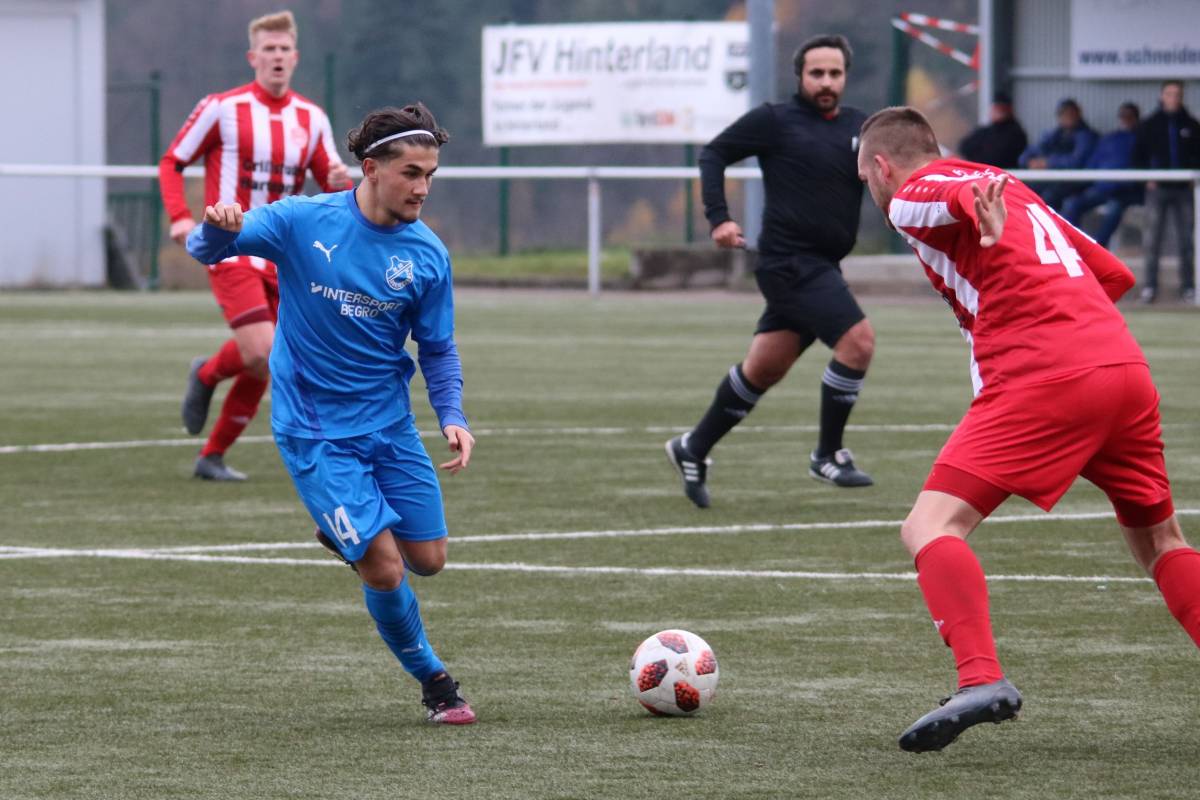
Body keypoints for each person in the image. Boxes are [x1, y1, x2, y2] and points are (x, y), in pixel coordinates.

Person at [857, 106, 1200, 753]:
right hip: (1123, 368)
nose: (875, 196)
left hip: (1043, 376)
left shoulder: (916, 191)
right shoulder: (1013, 187)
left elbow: (937, 195)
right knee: (1160, 538)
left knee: (929, 527)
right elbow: (1113, 273)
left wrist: (968, 209)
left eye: (867, 180)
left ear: (881, 166)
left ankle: (980, 678)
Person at [184, 103, 478, 725]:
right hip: (315, 433)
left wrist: (452, 412)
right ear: (370, 169)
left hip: (389, 425)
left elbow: (438, 347)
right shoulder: (302, 220)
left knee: (430, 560)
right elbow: (205, 247)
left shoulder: (427, 256)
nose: (423, 187)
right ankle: (436, 682)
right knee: (385, 564)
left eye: (431, 174)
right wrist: (218, 225)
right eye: (411, 173)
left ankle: (345, 533)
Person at [665, 34, 875, 509]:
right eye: (816, 73)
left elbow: (893, 170)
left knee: (764, 367)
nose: (826, 82)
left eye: (835, 74)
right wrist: (719, 217)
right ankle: (827, 454)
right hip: (787, 263)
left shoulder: (861, 128)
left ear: (845, 77)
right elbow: (713, 153)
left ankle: (692, 447)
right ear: (800, 76)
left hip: (822, 265)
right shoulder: (776, 120)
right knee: (858, 342)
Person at [159, 10, 352, 481]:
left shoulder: (311, 117)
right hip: (231, 247)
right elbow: (172, 161)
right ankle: (206, 374)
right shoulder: (221, 108)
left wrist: (342, 180)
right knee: (262, 351)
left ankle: (212, 456)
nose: (277, 57)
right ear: (253, 57)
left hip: (285, 255)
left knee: (271, 358)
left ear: (296, 56)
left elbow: (329, 179)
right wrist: (181, 218)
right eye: (269, 49)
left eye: (284, 49)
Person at [1132, 80, 1200, 303]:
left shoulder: (1191, 124)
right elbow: (1137, 156)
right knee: (1152, 240)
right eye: (1169, 94)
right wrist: (1146, 177)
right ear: (1162, 96)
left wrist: (1193, 176)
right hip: (1158, 190)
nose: (1173, 98)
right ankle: (1150, 286)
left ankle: (1188, 287)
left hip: (1184, 190)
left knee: (1186, 240)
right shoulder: (1150, 125)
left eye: (1177, 94)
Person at [1062, 102, 1143, 249]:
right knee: (1072, 203)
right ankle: (1071, 246)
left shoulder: (1141, 139)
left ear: (1136, 118)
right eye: (1123, 116)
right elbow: (1092, 164)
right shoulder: (1109, 139)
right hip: (1102, 188)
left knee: (1114, 209)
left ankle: (1098, 249)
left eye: (1129, 116)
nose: (1126, 119)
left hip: (1124, 192)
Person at [1018, 98, 1098, 210]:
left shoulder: (1086, 136)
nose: (1067, 116)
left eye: (1071, 113)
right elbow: (1027, 155)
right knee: (1022, 191)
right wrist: (1030, 161)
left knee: (1048, 197)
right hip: (1050, 178)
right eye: (1063, 113)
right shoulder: (1054, 134)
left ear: (1078, 114)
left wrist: (1048, 163)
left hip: (1073, 181)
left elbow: (1077, 161)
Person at [958, 91, 1028, 169]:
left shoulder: (1016, 134)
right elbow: (965, 146)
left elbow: (997, 157)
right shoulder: (985, 131)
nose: (998, 112)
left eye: (1002, 109)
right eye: (996, 108)